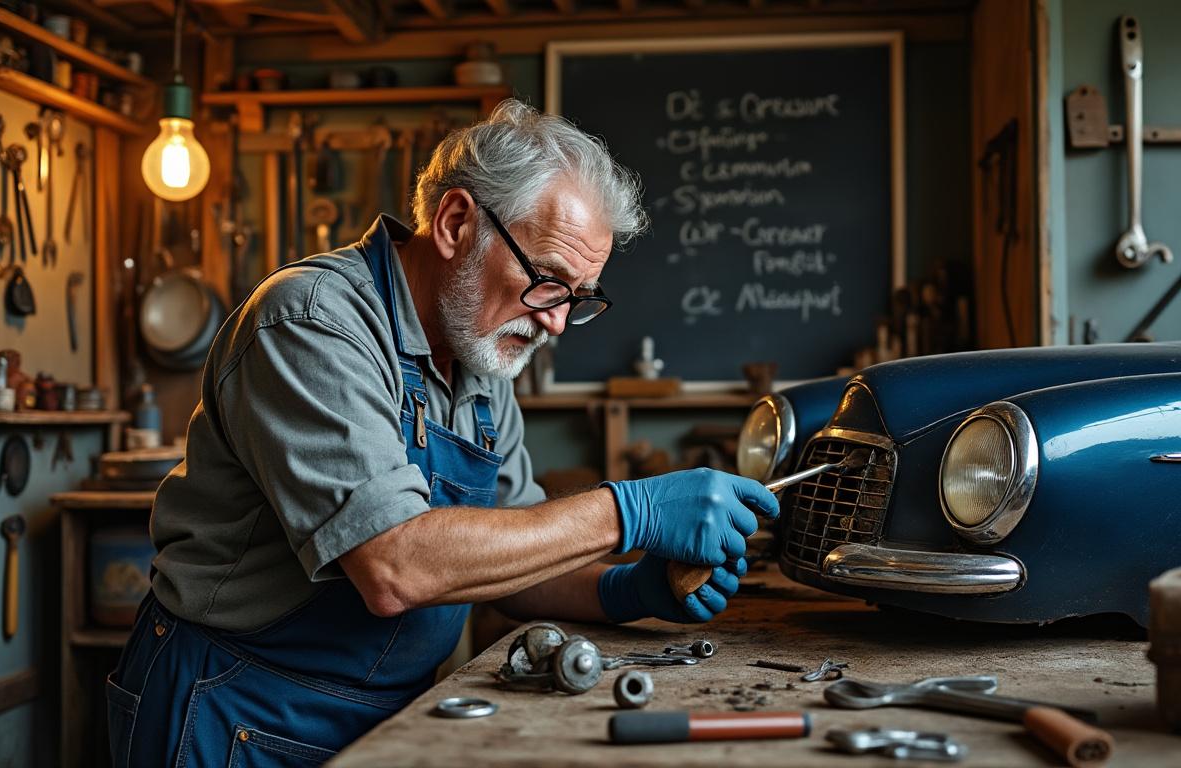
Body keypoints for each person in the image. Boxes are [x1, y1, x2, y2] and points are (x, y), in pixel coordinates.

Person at [106, 100, 777, 766]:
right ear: (457, 223)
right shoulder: (311, 322)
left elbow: (506, 563)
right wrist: (632, 511)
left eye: (580, 297)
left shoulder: (482, 359)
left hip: (386, 713)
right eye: (548, 282)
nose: (557, 325)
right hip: (234, 708)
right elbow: (395, 566)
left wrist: (625, 592)